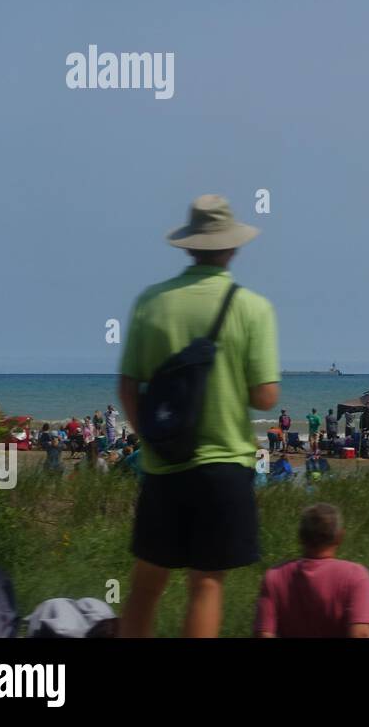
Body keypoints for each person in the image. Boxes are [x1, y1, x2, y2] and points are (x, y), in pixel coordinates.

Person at [118, 195, 280, 638]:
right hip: (225, 465)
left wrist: (150, 439)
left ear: (188, 245)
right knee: (207, 583)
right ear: (233, 247)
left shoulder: (150, 303)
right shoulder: (253, 308)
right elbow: (266, 396)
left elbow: (128, 386)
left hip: (164, 463)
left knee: (146, 584)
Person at [254, 503, 369, 638]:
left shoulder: (274, 576)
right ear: (340, 537)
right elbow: (361, 634)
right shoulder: (355, 576)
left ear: (300, 537)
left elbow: (263, 634)